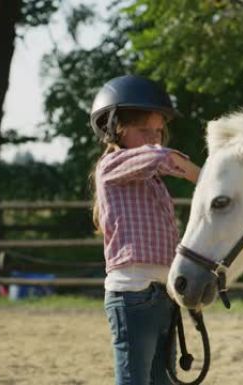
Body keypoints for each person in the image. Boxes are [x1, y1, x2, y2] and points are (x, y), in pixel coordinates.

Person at [90, 74, 200, 385]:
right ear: (116, 129)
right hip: (132, 295)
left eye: (158, 130)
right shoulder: (110, 168)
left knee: (162, 380)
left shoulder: (153, 182)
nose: (153, 137)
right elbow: (159, 156)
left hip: (162, 294)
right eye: (143, 130)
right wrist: (206, 178)